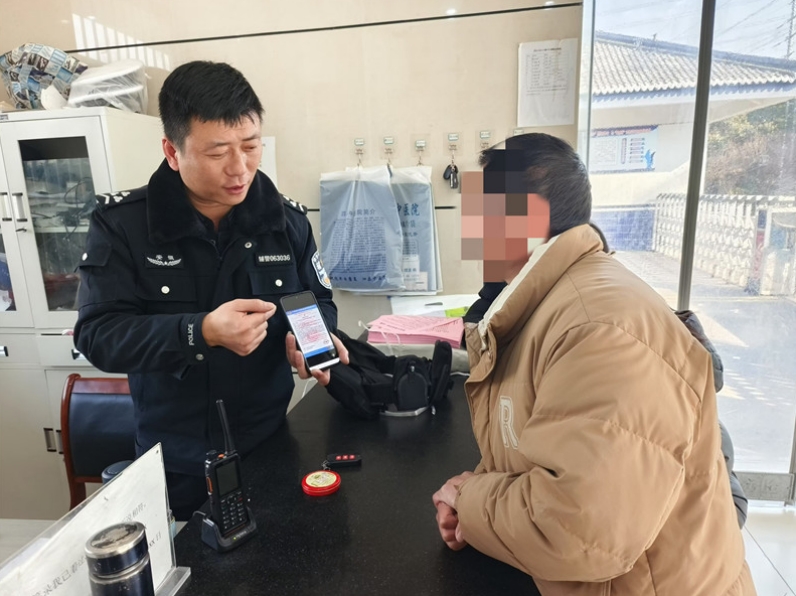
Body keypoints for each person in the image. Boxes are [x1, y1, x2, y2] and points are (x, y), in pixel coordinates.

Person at [433, 133, 755, 595]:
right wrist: (475, 507)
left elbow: (580, 529)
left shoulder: (597, 329)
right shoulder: (542, 307)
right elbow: (537, 448)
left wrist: (470, 500)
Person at [74, 61, 347, 520]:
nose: (240, 168)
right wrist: (199, 332)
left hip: (269, 445)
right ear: (172, 151)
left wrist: (310, 337)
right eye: (218, 152)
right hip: (174, 463)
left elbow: (316, 300)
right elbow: (98, 334)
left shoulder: (285, 223)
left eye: (251, 146)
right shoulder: (123, 226)